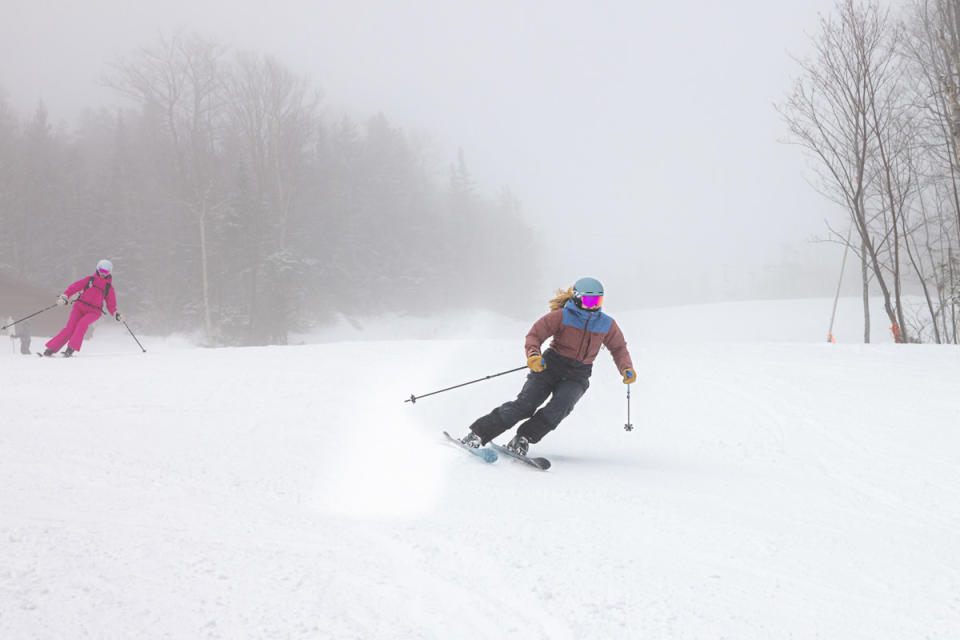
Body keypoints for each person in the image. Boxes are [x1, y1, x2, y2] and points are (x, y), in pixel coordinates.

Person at [460, 277, 636, 456]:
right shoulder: (562, 316)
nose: (593, 306)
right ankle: (477, 434)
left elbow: (618, 347)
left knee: (560, 408)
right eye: (588, 301)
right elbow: (534, 335)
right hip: (549, 368)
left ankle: (522, 439)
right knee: (525, 405)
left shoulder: (606, 323)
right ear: (576, 297)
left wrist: (626, 368)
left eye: (597, 301)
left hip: (578, 374)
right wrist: (534, 355)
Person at [42, 259, 123, 357]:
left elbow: (111, 304)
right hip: (79, 307)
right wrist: (64, 297)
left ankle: (71, 348)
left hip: (94, 311)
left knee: (82, 324)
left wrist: (116, 314)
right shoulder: (90, 280)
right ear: (98, 269)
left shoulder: (108, 288)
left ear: (109, 272)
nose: (103, 273)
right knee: (69, 328)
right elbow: (75, 287)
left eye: (106, 272)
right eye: (101, 270)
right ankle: (51, 348)